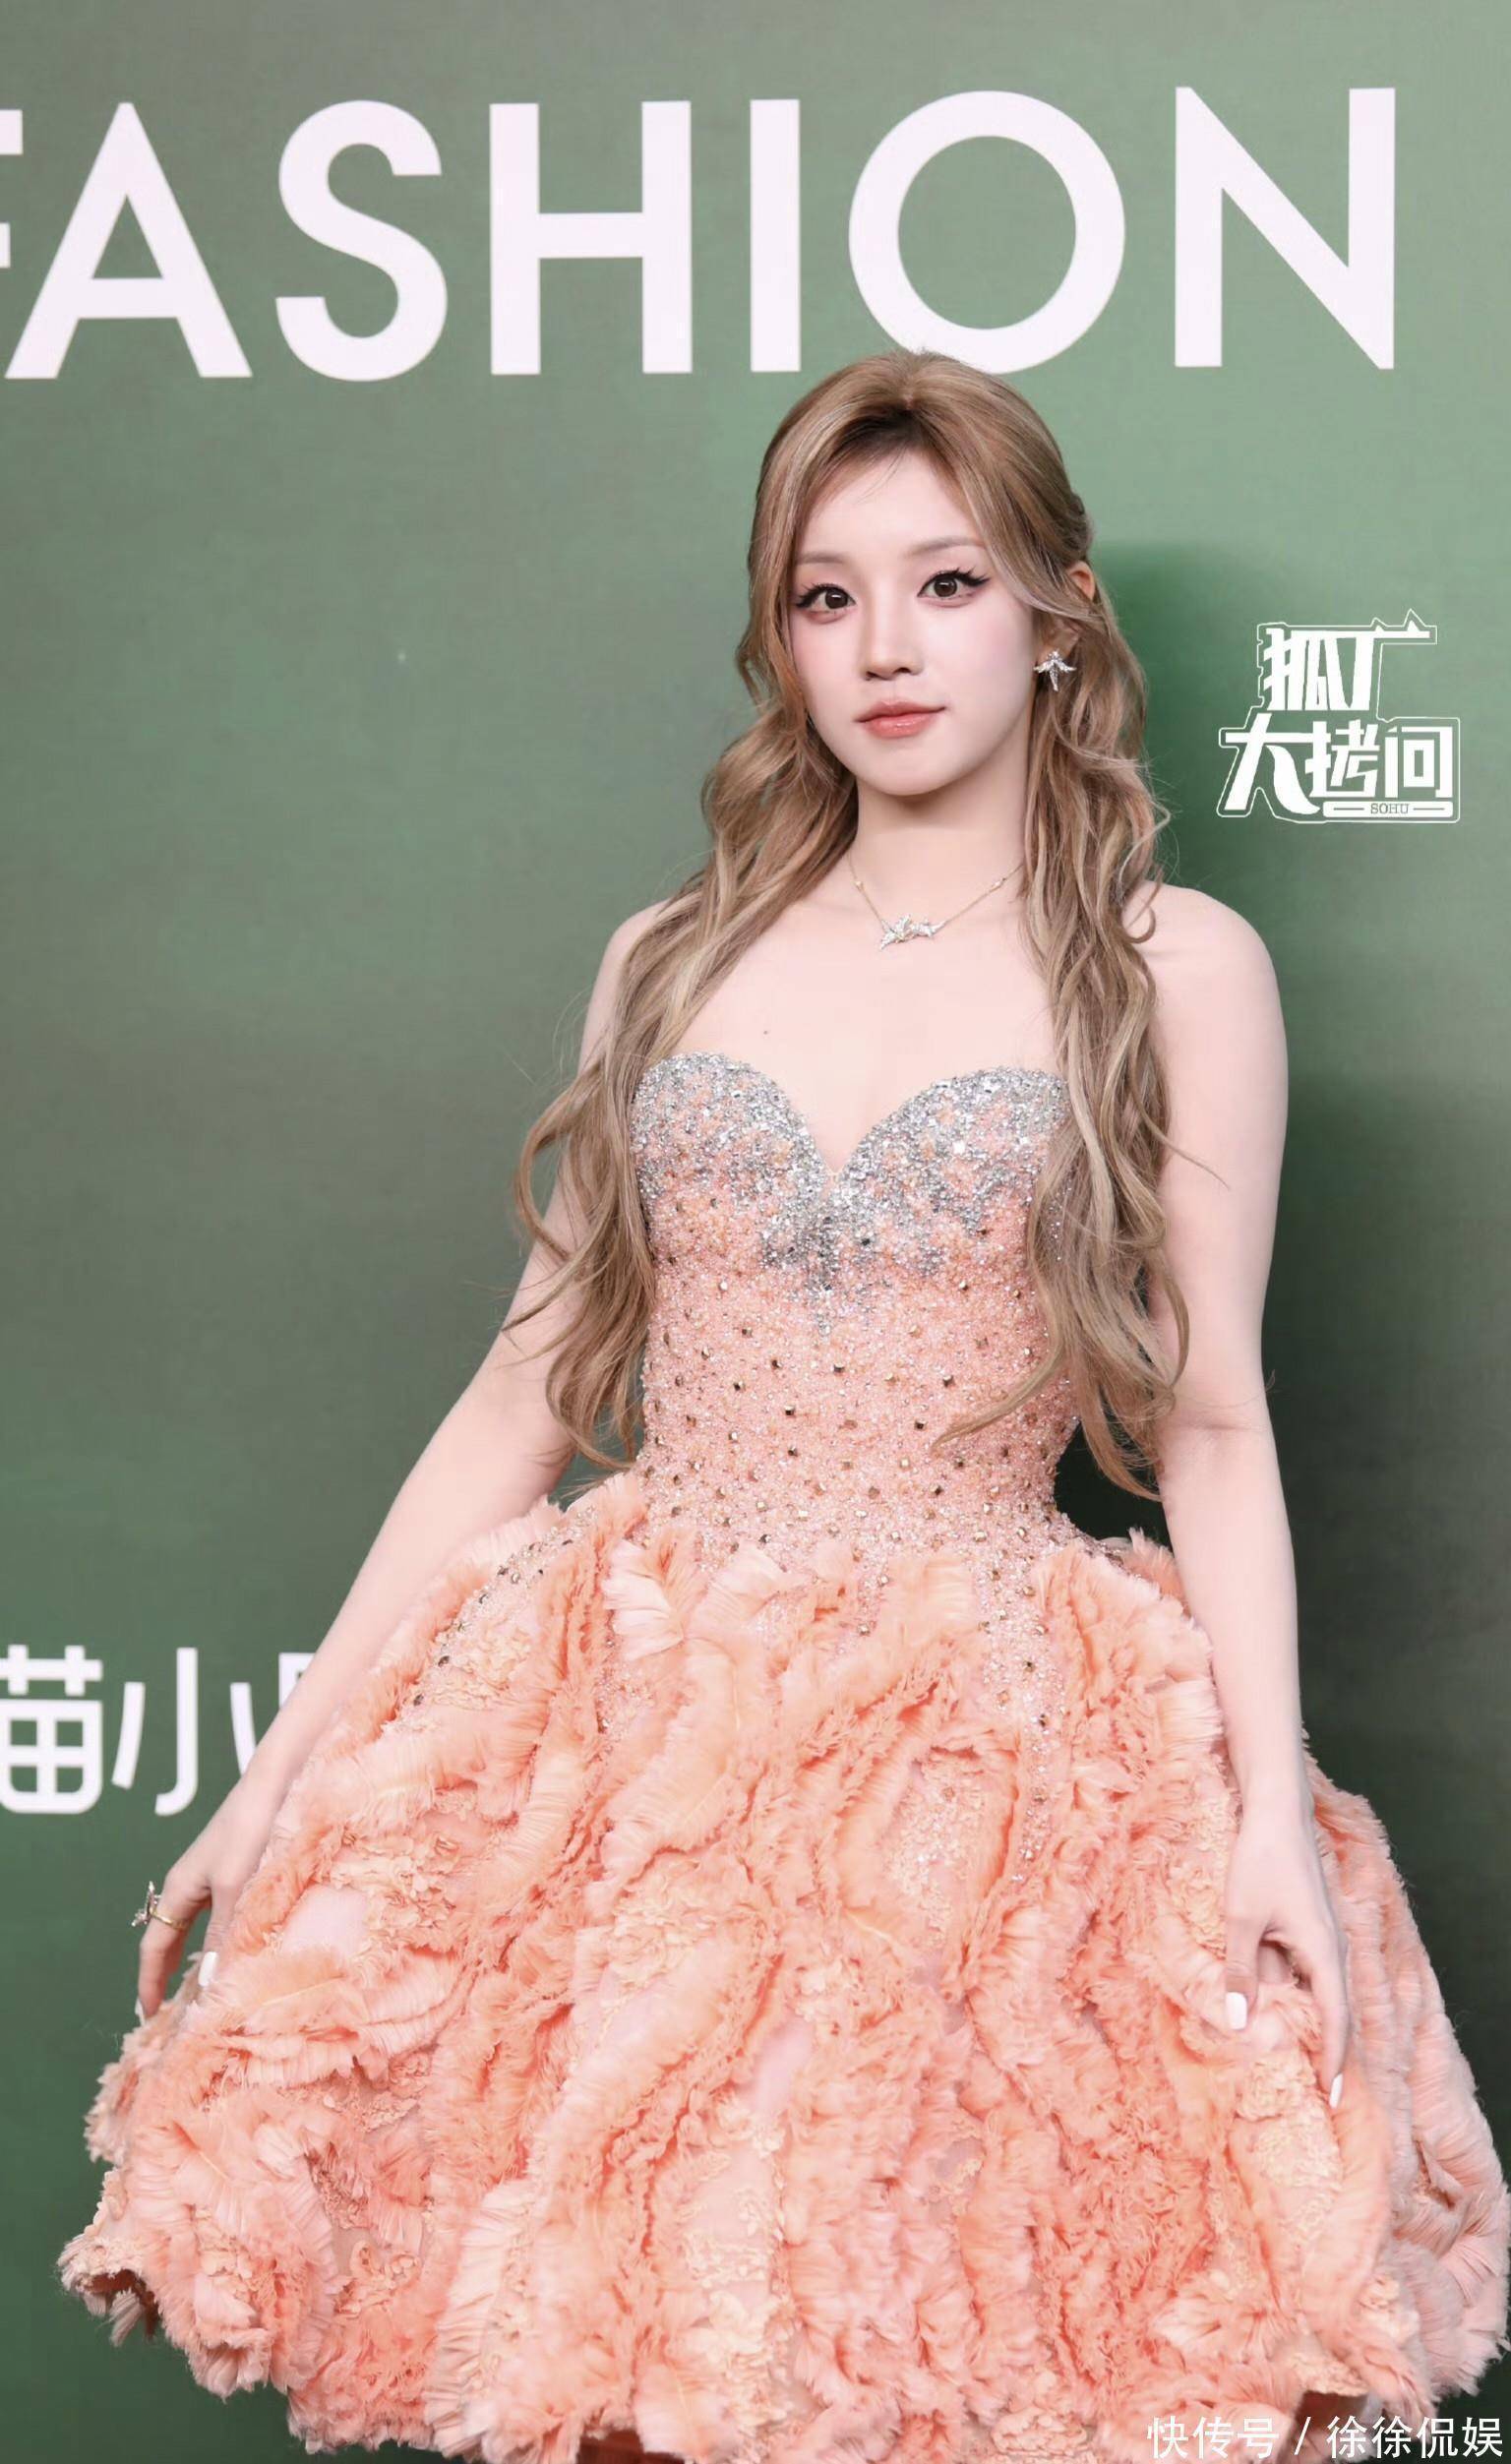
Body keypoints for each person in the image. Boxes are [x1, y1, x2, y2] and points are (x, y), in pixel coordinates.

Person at [57, 348, 1509, 2464]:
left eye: (947, 583)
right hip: (635, 1729)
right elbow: (522, 1394)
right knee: (615, 2353)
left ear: (1056, 612)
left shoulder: (1173, 962)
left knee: (916, 2353)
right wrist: (285, 1767)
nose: (886, 646)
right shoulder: (670, 953)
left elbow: (1212, 1427)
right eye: (830, 597)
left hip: (977, 1745)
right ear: (783, 637)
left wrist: (1268, 1815)